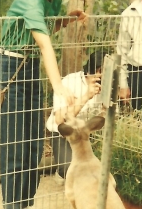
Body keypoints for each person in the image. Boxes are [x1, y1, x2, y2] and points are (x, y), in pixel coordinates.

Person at [0, 0, 87, 209]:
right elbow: (45, 45)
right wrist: (59, 89)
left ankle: (26, 206)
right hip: (10, 67)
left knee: (34, 140)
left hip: (30, 67)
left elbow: (43, 32)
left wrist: (65, 19)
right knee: (14, 140)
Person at [45, 51, 106, 181]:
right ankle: (61, 172)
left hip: (91, 134)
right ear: (99, 71)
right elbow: (60, 120)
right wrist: (86, 97)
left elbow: (107, 118)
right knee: (71, 171)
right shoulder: (69, 81)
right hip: (66, 134)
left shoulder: (108, 85)